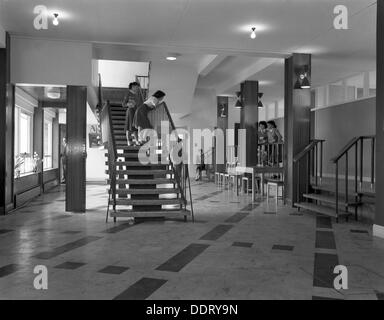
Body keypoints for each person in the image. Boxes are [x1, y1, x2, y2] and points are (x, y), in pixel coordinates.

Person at [122, 82, 143, 146]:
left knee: (135, 127)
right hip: (130, 111)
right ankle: (129, 141)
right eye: (136, 87)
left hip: (136, 111)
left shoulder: (137, 95)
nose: (137, 88)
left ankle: (136, 141)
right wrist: (129, 104)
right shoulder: (128, 93)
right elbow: (123, 104)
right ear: (133, 86)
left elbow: (140, 104)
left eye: (138, 87)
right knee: (129, 127)